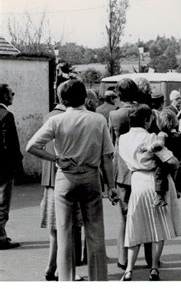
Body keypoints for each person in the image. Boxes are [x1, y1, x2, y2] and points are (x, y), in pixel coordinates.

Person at [26, 79, 119, 281]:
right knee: (95, 231)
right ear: (84, 97)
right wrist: (111, 186)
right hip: (91, 176)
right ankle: (99, 280)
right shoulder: (97, 120)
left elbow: (31, 146)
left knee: (65, 232)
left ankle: (66, 280)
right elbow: (106, 157)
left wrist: (56, 158)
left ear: (62, 99)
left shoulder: (56, 121)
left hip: (65, 177)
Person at [118, 104, 181, 281]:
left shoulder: (122, 139)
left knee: (135, 226)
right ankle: (154, 267)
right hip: (154, 180)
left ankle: (129, 270)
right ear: (147, 120)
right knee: (158, 227)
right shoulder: (152, 137)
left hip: (136, 180)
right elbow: (171, 161)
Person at [38, 85, 84, 281]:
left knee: (55, 227)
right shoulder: (71, 119)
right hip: (66, 176)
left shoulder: (49, 116)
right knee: (70, 226)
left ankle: (51, 266)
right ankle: (65, 270)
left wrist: (52, 160)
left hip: (49, 177)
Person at [108, 78, 144, 270]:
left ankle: (122, 258)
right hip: (141, 165)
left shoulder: (115, 115)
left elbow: (110, 144)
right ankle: (149, 256)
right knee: (146, 213)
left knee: (123, 216)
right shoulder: (145, 111)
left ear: (119, 94)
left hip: (122, 167)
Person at [0, 84, 23, 250]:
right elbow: (11, 145)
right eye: (11, 93)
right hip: (4, 167)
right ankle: (0, 238)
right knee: (2, 203)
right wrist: (17, 164)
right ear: (5, 97)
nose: (13, 96)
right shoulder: (6, 115)